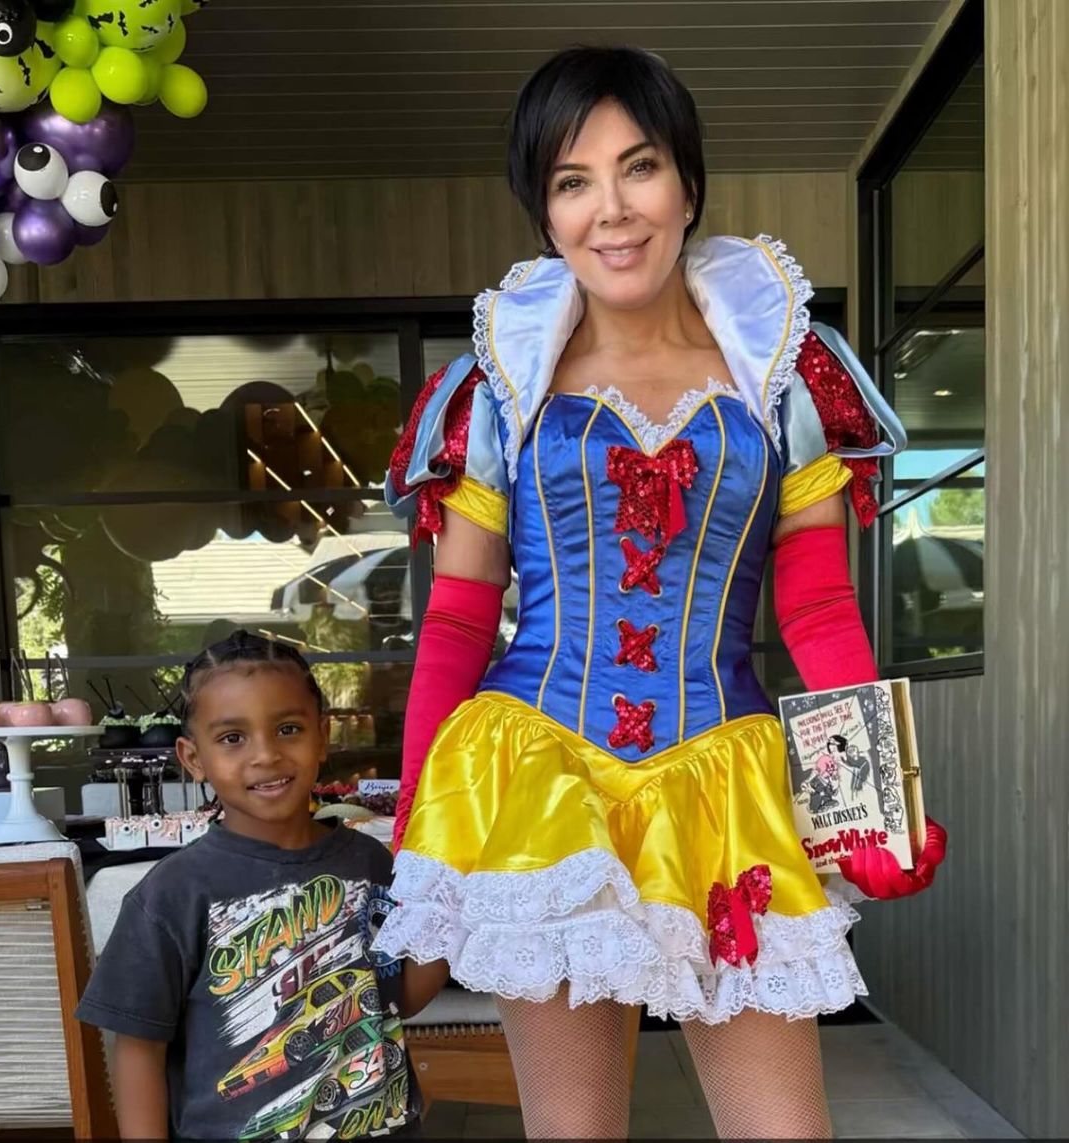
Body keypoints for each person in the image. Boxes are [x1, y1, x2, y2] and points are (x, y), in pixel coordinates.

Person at [373, 46, 947, 1140]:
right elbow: (456, 617)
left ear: (686, 181)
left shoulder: (784, 378)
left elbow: (818, 608)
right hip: (538, 777)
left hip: (724, 783)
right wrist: (418, 817)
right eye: (571, 182)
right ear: (544, 212)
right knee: (576, 1130)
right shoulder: (498, 392)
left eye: (637, 168)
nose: (611, 210)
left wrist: (872, 804)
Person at [76, 631, 447, 1141]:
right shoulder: (173, 892)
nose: (265, 755)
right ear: (193, 757)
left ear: (323, 736)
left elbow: (396, 996)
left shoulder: (369, 862)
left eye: (288, 729)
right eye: (233, 738)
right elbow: (139, 1045)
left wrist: (450, 906)